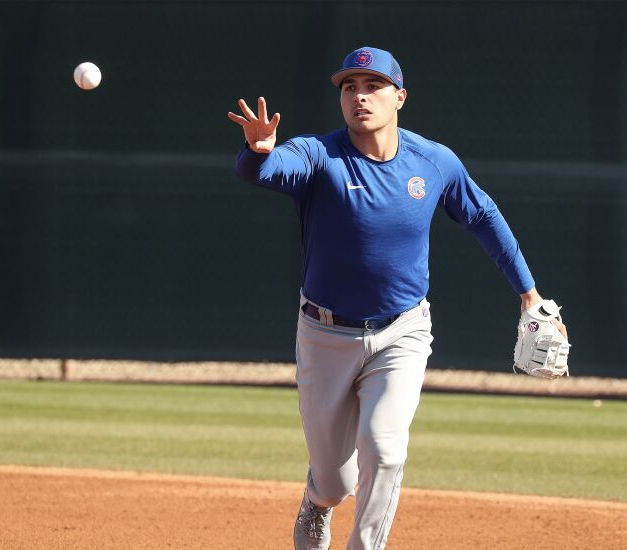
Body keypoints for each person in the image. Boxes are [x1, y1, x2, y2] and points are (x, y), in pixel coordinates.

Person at [227, 46, 567, 550]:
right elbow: (265, 171)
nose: (360, 96)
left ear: (400, 97)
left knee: (385, 451)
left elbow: (483, 216)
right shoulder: (319, 155)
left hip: (401, 332)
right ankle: (317, 501)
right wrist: (258, 151)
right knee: (335, 481)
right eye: (349, 87)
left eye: (373, 86)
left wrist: (529, 294)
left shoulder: (433, 162)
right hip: (324, 334)